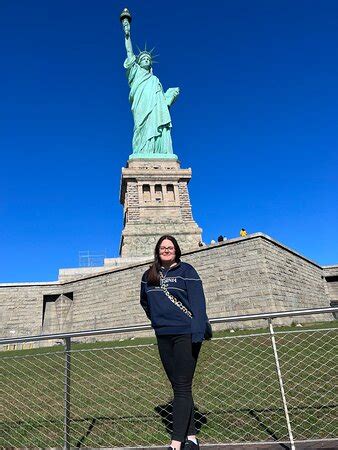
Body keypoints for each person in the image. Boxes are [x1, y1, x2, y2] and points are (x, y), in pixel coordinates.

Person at [140, 235, 209, 450]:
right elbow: (145, 302)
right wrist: (158, 321)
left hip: (185, 334)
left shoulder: (187, 271)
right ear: (157, 251)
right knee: (179, 386)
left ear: (176, 250)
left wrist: (197, 331)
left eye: (170, 247)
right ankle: (192, 438)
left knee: (181, 386)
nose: (166, 250)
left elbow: (198, 303)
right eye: (163, 247)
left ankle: (176, 443)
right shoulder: (148, 275)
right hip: (163, 334)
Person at [122, 14, 179, 156]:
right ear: (139, 62)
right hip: (141, 105)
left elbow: (162, 104)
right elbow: (129, 53)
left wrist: (169, 96)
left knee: (156, 124)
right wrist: (127, 34)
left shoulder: (155, 80)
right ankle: (142, 151)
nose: (146, 60)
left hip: (155, 109)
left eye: (148, 58)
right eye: (143, 58)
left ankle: (159, 150)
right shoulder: (135, 72)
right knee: (141, 127)